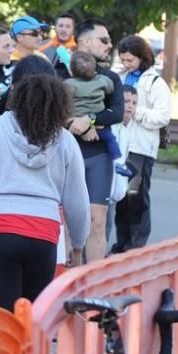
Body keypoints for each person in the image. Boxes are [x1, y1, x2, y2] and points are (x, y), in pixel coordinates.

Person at [0, 73, 91, 309]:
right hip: (44, 234)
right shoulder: (66, 141)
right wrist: (78, 245)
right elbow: (77, 201)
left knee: (3, 319)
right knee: (32, 320)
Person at [66, 19, 124, 263]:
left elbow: (117, 112)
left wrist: (88, 119)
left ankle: (93, 288)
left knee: (97, 221)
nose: (109, 45)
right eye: (104, 40)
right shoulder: (61, 71)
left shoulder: (110, 78)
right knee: (67, 221)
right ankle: (63, 284)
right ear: (85, 41)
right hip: (67, 151)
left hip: (99, 154)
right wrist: (74, 125)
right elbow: (50, 110)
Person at [114, 35, 172, 251]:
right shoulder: (120, 76)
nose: (126, 64)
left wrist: (135, 112)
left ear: (141, 57)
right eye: (123, 60)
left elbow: (163, 115)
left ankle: (136, 244)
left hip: (140, 147)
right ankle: (122, 243)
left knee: (134, 195)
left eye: (130, 60)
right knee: (119, 195)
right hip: (119, 144)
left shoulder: (155, 82)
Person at [64, 52, 131, 177]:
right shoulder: (103, 80)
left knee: (67, 141)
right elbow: (110, 88)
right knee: (110, 140)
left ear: (72, 71)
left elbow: (65, 100)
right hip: (100, 123)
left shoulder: (69, 84)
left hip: (76, 123)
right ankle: (118, 162)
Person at [110, 86, 141, 254]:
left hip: (117, 185)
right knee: (102, 222)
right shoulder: (112, 126)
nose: (130, 106)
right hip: (105, 183)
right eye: (126, 101)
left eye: (134, 103)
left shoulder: (130, 127)